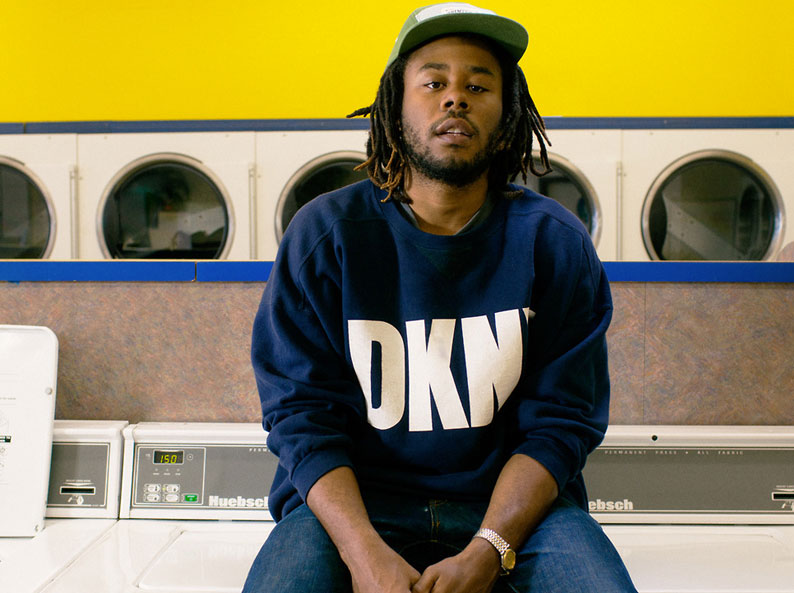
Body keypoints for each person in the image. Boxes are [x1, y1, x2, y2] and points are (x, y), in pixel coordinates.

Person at [243, 4, 638, 593]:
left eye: (478, 85)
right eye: (433, 83)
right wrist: (362, 554)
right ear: (395, 104)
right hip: (355, 508)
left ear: (507, 112)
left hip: (512, 512)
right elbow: (303, 416)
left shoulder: (553, 242)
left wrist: (489, 549)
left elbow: (559, 425)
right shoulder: (326, 235)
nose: (456, 98)